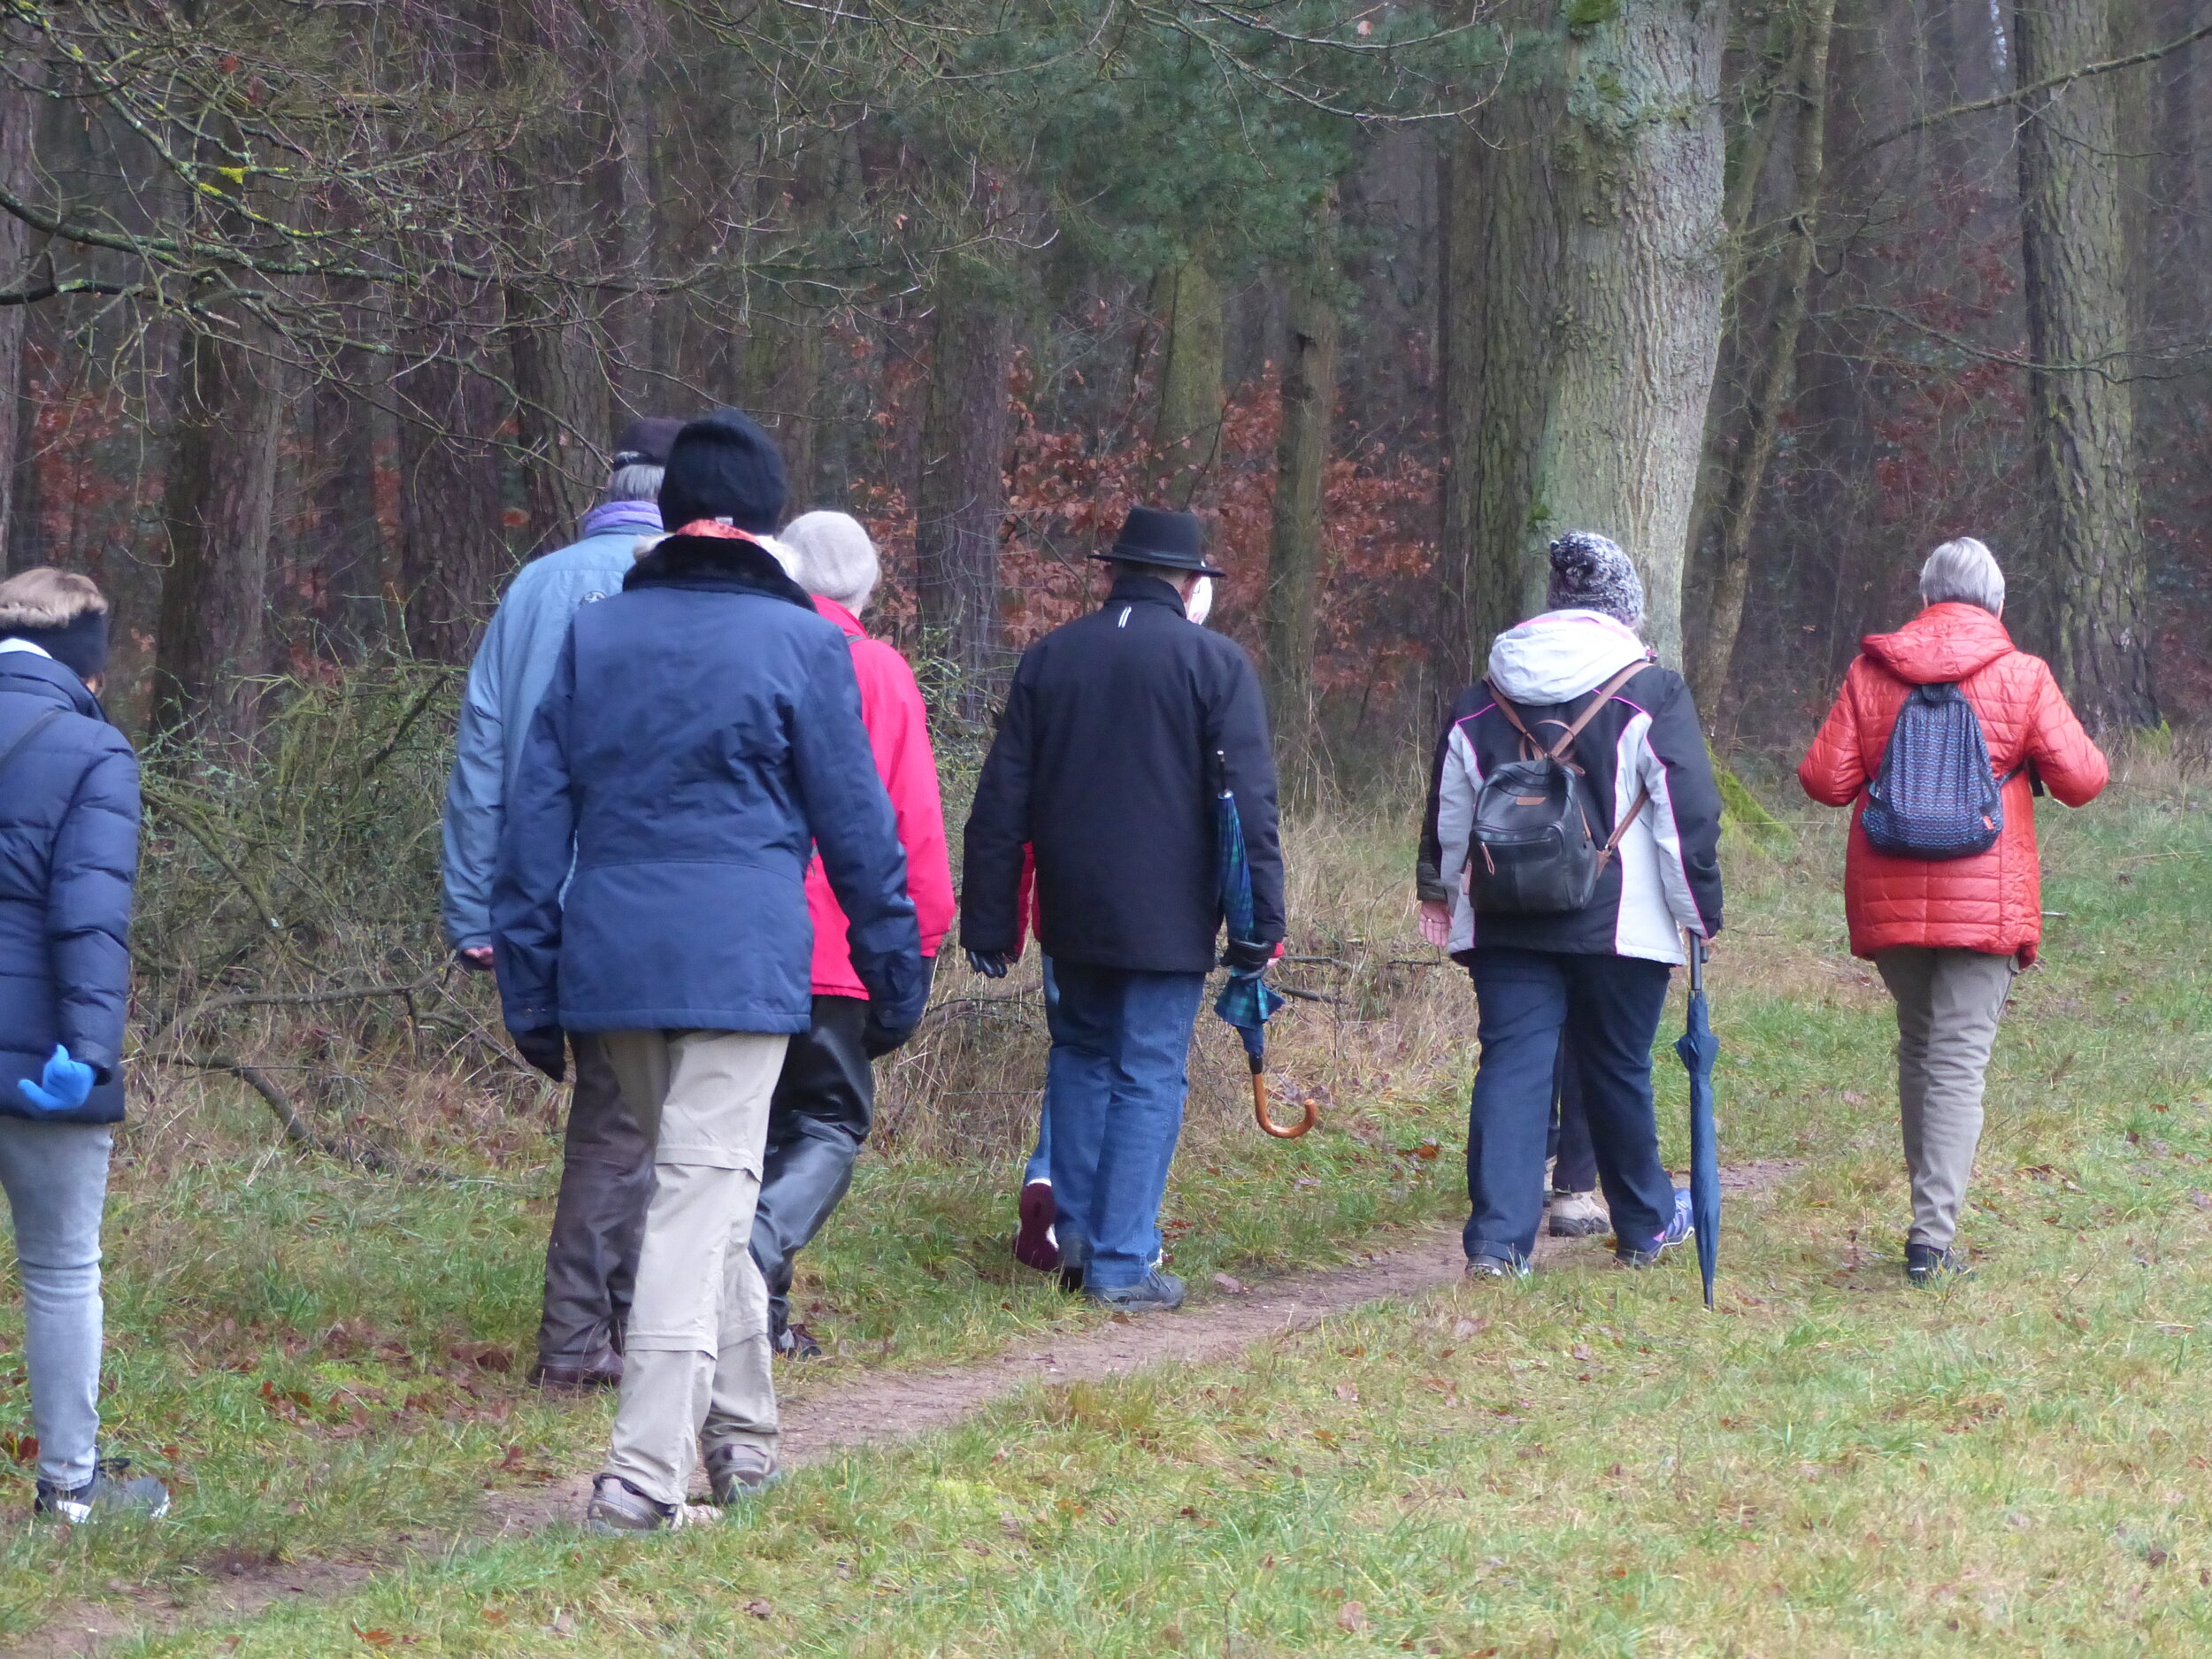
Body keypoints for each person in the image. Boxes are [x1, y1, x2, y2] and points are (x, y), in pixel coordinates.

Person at [493, 411, 926, 1533]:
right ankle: (642, 1477)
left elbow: (532, 823)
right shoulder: (806, 646)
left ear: (673, 515)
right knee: (697, 1204)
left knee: (709, 1199)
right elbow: (859, 829)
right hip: (739, 965)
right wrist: (892, 964)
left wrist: (530, 980)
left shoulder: (597, 636)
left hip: (613, 962)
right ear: (769, 526)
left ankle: (745, 1447)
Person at [963, 506, 1280, 1312]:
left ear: (1115, 572)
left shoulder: (1052, 655)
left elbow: (1001, 797)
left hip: (1070, 909)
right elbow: (1249, 806)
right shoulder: (1215, 664)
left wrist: (990, 917)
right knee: (1148, 1075)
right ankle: (1121, 1260)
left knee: (1079, 1056)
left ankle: (1071, 1239)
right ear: (1187, 581)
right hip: (1169, 917)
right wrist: (1259, 926)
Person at [443, 417, 683, 1393]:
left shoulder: (535, 586)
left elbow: (483, 756)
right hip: (651, 896)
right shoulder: (683, 592)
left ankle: (613, 1326)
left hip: (547, 896)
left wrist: (474, 908)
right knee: (635, 1123)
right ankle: (585, 1338)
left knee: (623, 1113)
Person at [1797, 537, 2106, 1285]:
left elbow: (1824, 779)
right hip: (1985, 896)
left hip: (1890, 889)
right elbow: (2085, 779)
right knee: (1959, 1060)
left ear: (1927, 597)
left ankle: (1925, 1215)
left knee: (1920, 1045)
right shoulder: (2022, 675)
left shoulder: (1872, 672)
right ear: (1996, 602)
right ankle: (1931, 1241)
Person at [1418, 531, 1724, 1277]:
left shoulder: (1482, 695)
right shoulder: (1651, 691)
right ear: (1624, 612)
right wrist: (1699, 914)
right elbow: (1686, 816)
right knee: (1617, 1067)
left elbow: (1450, 812)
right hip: (1621, 921)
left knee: (1512, 1067)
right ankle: (1645, 1228)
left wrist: (1438, 893)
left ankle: (1497, 1244)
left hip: (1506, 912)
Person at [749, 511, 954, 1359]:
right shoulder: (876, 667)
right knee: (828, 1122)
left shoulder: (755, 648)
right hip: (837, 946)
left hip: (749, 941)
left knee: (750, 1128)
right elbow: (914, 821)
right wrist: (922, 938)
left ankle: (757, 1317)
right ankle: (753, 1266)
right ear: (866, 590)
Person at [0, 569, 167, 1521]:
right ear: (85, 665)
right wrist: (91, 1054)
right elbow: (91, 921)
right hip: (39, 1054)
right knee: (61, 1269)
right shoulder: (93, 751)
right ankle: (69, 1489)